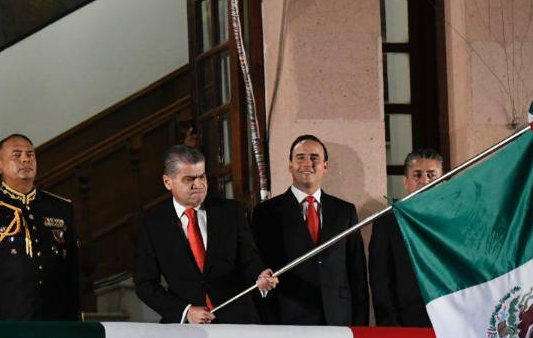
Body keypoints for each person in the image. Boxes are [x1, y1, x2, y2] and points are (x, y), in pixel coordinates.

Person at [135, 145, 277, 324]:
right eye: (189, 179)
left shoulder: (230, 211)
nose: (199, 185)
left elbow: (249, 258)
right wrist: (185, 312)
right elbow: (144, 284)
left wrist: (260, 274)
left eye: (202, 176)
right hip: (186, 329)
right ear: (167, 182)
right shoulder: (153, 224)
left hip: (238, 321)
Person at [250, 135, 368, 326]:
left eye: (314, 157)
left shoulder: (345, 211)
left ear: (325, 166)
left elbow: (357, 271)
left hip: (338, 318)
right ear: (290, 165)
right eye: (300, 157)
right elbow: (256, 264)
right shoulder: (266, 212)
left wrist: (361, 324)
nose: (307, 163)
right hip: (287, 318)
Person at [0, 134, 81, 320]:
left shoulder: (59, 206)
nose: (25, 159)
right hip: (3, 314)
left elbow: (72, 268)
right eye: (16, 155)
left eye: (30, 154)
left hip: (53, 314)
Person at [369, 148, 443, 327]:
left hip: (448, 323)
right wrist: (391, 326)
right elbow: (380, 280)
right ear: (406, 181)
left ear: (442, 181)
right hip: (405, 323)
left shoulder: (455, 219)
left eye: (431, 175)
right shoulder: (386, 222)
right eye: (417, 175)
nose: (424, 181)